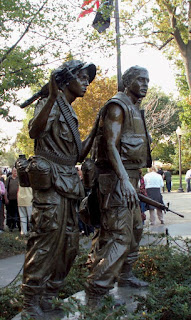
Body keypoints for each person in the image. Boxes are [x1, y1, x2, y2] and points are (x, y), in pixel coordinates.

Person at [20, 59, 98, 320]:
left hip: (68, 183)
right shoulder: (51, 103)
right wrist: (51, 97)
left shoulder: (71, 113)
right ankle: (31, 301)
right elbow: (34, 131)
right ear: (67, 80)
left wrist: (97, 126)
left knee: (69, 245)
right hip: (51, 183)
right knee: (45, 242)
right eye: (83, 77)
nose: (87, 83)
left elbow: (75, 154)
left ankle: (50, 295)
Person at [85, 65, 152, 307]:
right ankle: (96, 291)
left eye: (147, 80)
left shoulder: (135, 108)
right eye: (140, 79)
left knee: (135, 230)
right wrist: (123, 179)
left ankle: (126, 275)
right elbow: (112, 145)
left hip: (130, 178)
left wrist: (132, 180)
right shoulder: (117, 106)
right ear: (127, 81)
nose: (145, 84)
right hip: (116, 181)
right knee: (119, 236)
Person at [4, 167, 20, 232]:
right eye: (14, 171)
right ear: (12, 171)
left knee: (18, 213)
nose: (15, 172)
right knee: (10, 213)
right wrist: (6, 198)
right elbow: (5, 189)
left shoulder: (19, 179)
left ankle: (17, 225)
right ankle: (10, 226)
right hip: (10, 199)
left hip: (18, 199)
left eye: (16, 171)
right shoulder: (9, 179)